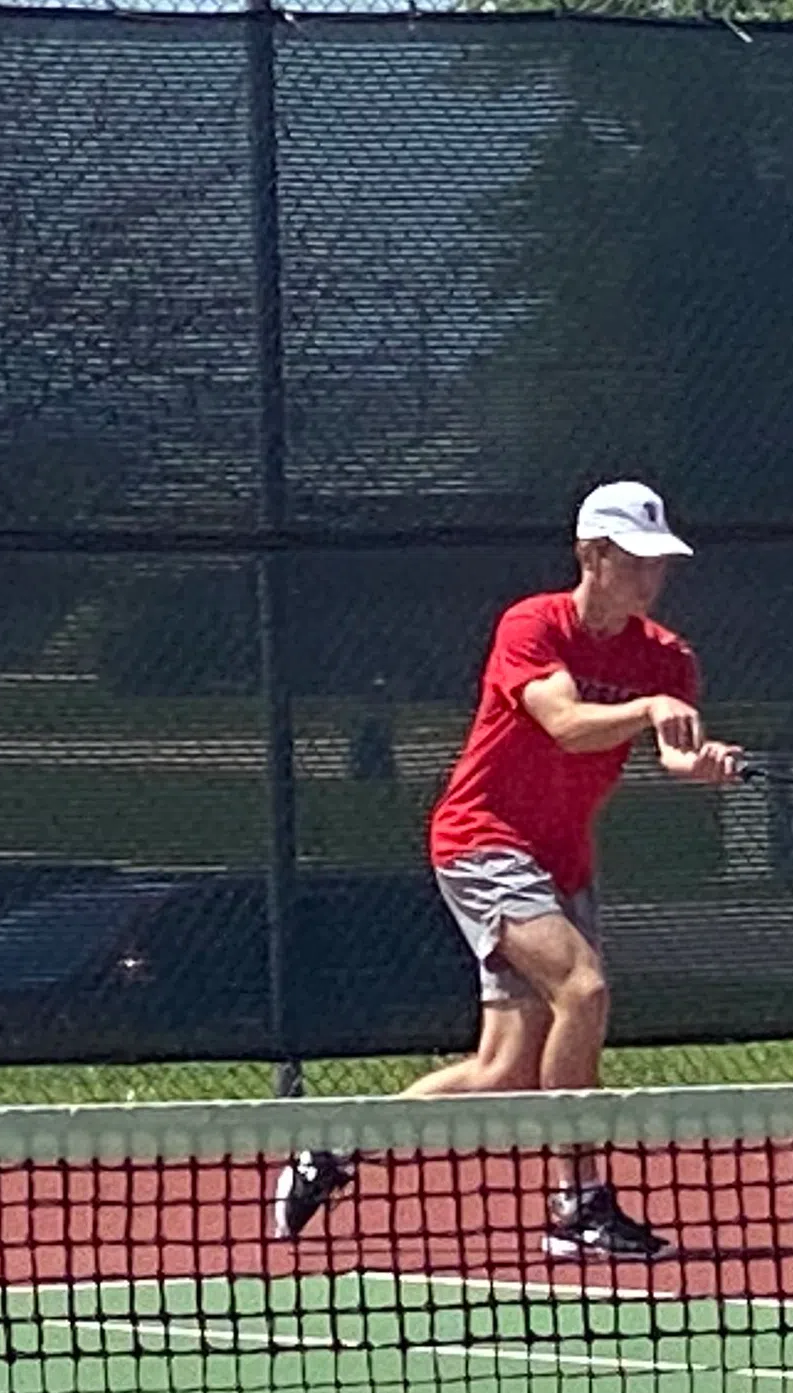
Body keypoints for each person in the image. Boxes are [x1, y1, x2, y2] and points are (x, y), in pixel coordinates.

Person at [272, 481, 738, 1261]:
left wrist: (702, 765)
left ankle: (336, 1144)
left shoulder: (665, 658)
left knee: (502, 1072)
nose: (652, 578)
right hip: (482, 840)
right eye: (637, 561)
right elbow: (562, 721)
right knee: (582, 988)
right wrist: (647, 709)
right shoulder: (533, 625)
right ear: (591, 555)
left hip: (562, 859)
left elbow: (673, 754)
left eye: (660, 564)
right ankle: (579, 1203)